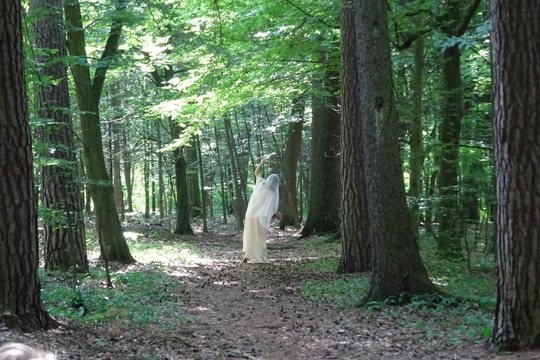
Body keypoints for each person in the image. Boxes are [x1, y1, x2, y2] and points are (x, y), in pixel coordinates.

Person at [242, 156, 281, 263]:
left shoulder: (262, 184)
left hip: (250, 213)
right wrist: (277, 213)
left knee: (249, 235)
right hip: (260, 216)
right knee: (259, 238)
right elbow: (272, 206)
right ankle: (261, 257)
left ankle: (247, 255)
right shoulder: (273, 192)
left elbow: (256, 173)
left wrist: (262, 162)